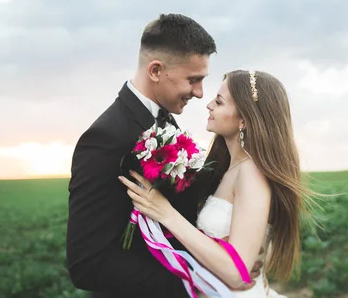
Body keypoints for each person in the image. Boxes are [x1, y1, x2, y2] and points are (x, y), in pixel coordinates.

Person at [66, 14, 262, 298]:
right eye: (193, 80)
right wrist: (194, 283)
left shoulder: (163, 120)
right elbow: (87, 264)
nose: (199, 93)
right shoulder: (106, 138)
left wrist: (224, 261)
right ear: (155, 70)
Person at [120, 70, 307, 297]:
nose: (208, 105)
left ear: (244, 120)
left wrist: (166, 214)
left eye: (219, 102)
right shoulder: (229, 167)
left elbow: (237, 274)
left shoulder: (252, 173)